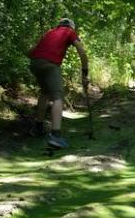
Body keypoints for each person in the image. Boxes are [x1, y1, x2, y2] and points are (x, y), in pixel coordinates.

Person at [27, 17, 89, 148]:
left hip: (34, 63)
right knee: (58, 97)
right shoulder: (69, 32)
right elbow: (82, 53)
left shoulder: (50, 32)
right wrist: (85, 74)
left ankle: (38, 127)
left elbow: (31, 51)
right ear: (71, 27)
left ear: (59, 25)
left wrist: (38, 59)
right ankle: (55, 135)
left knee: (45, 93)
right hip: (50, 64)